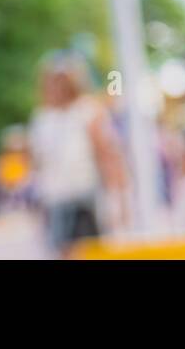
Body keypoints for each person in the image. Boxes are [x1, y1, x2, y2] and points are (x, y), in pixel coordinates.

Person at [28, 52, 128, 255]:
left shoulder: (88, 111)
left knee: (89, 252)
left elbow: (107, 155)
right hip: (55, 197)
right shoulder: (43, 118)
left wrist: (118, 198)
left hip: (85, 196)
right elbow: (38, 162)